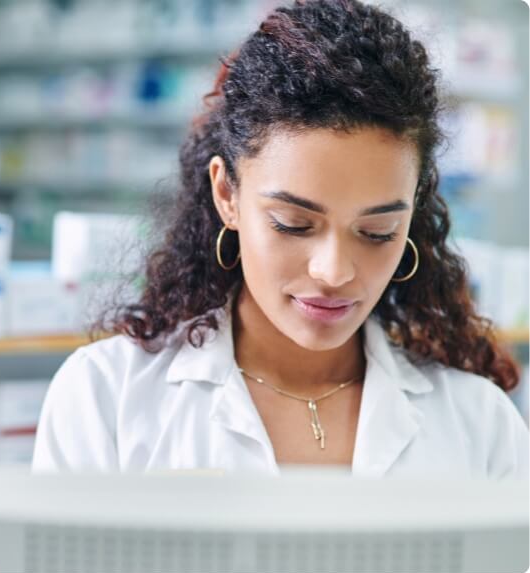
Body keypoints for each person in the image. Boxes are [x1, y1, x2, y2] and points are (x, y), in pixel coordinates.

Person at [32, 0, 528, 477]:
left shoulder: (478, 423)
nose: (333, 272)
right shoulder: (107, 397)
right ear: (227, 193)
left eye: (378, 232)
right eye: (293, 224)